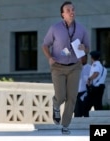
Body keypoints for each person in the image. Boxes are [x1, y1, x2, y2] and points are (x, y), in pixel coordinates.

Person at [42, 1, 89, 134]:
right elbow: (45, 45)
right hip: (58, 67)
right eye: (68, 10)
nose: (71, 12)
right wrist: (50, 58)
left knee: (72, 97)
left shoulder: (81, 29)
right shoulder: (54, 28)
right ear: (63, 14)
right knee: (61, 96)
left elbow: (87, 47)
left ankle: (65, 124)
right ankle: (56, 105)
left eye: (73, 9)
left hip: (75, 66)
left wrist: (84, 48)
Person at [84, 51, 107, 116]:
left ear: (92, 58)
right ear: (99, 58)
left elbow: (96, 73)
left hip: (95, 88)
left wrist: (89, 79)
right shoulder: (103, 67)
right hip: (101, 87)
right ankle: (101, 119)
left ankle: (86, 119)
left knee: (86, 104)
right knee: (98, 104)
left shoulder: (95, 64)